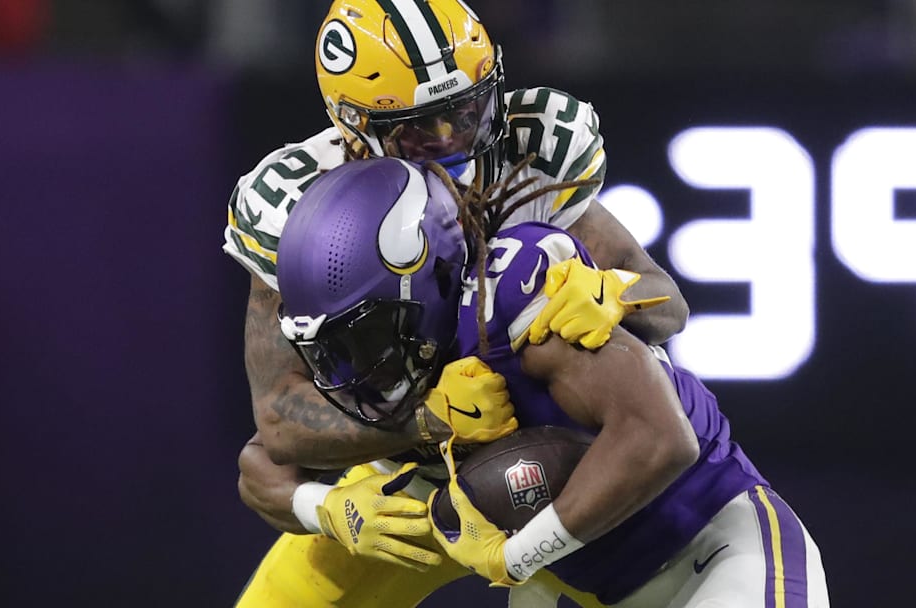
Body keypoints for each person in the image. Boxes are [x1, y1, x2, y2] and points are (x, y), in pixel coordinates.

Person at [227, 1, 688, 605]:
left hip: (558, 453)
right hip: (410, 475)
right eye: (420, 128)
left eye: (467, 112)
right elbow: (279, 423)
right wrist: (420, 427)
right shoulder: (308, 212)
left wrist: (615, 295)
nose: (450, 141)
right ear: (353, 126)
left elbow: (667, 302)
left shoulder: (529, 153)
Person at [274, 156, 831, 606]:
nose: (356, 366)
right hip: (599, 586)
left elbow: (662, 438)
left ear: (425, 281)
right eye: (335, 347)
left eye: (367, 336)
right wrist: (325, 508)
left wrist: (516, 558)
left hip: (715, 548)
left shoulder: (518, 298)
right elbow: (265, 458)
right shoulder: (412, 367)